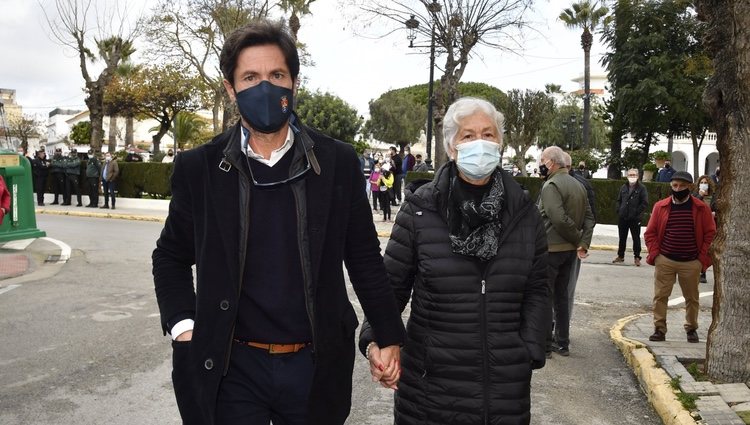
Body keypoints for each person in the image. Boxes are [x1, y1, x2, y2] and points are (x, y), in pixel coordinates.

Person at [151, 20, 405, 425]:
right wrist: (185, 327)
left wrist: (388, 337)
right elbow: (170, 256)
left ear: (294, 83)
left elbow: (364, 258)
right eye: (250, 77)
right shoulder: (198, 167)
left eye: (276, 75)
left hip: (314, 365)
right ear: (230, 88)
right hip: (230, 368)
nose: (264, 87)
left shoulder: (336, 162)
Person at [359, 97, 550, 425]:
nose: (480, 143)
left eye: (489, 134)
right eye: (468, 135)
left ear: (500, 142)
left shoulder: (524, 213)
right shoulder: (420, 210)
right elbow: (389, 287)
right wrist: (377, 339)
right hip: (429, 391)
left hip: (503, 389)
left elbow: (538, 288)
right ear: (451, 146)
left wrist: (528, 351)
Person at [644, 171, 716, 343]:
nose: (678, 189)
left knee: (692, 298)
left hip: (691, 261)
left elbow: (710, 234)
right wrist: (656, 255)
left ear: (690, 187)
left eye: (682, 186)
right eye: (675, 185)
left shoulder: (701, 208)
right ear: (671, 186)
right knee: (660, 296)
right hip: (666, 259)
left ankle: (691, 328)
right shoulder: (660, 206)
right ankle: (659, 329)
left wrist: (701, 259)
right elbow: (650, 233)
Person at [537, 146, 595, 357]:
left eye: (542, 160)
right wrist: (582, 242)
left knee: (545, 297)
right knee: (562, 296)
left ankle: (545, 345)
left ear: (551, 162)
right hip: (569, 252)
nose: (540, 164)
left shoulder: (551, 185)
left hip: (551, 249)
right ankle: (563, 343)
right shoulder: (578, 185)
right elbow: (589, 217)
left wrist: (578, 239)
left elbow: (558, 217)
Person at [562, 152, 596, 319]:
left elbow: (590, 217)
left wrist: (582, 241)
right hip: (552, 243)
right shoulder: (549, 182)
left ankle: (562, 325)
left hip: (571, 244)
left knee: (568, 287)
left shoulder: (582, 185)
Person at [614, 168, 649, 266]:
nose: (632, 177)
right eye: (630, 175)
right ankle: (620, 256)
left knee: (636, 238)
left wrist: (636, 213)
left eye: (634, 175)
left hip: (635, 218)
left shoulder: (642, 188)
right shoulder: (623, 187)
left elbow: (644, 203)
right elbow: (619, 200)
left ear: (637, 176)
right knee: (622, 238)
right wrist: (619, 209)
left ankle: (637, 257)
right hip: (623, 217)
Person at [694, 174, 717, 283]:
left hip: (710, 226)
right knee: (699, 248)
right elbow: (693, 206)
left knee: (708, 250)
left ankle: (704, 271)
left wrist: (714, 213)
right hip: (698, 226)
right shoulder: (695, 196)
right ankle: (700, 272)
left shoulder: (714, 197)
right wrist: (700, 196)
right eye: (701, 183)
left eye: (705, 183)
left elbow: (718, 209)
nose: (703, 185)